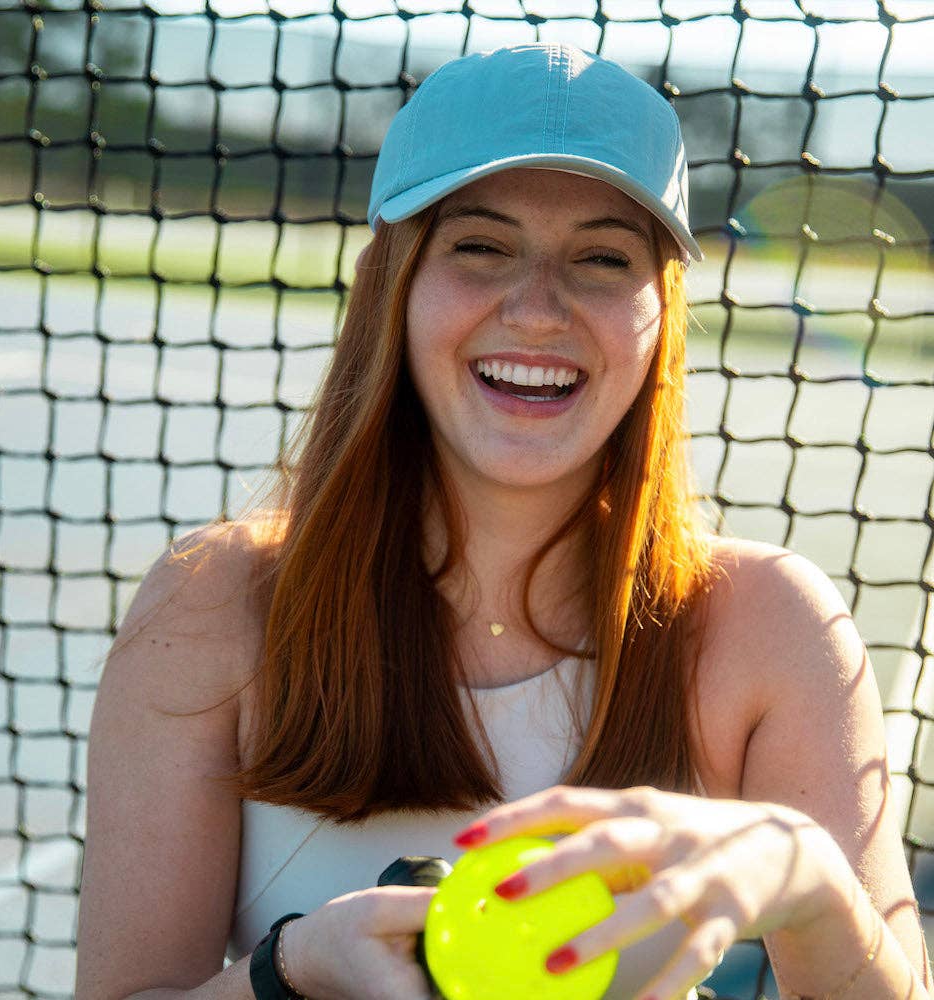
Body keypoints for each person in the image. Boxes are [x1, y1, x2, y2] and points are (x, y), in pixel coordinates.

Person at [74, 43, 932, 1000]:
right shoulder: (211, 606)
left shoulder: (772, 625)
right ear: (392, 284)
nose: (537, 309)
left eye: (603, 259)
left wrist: (804, 874)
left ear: (660, 313)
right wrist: (296, 967)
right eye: (480, 246)